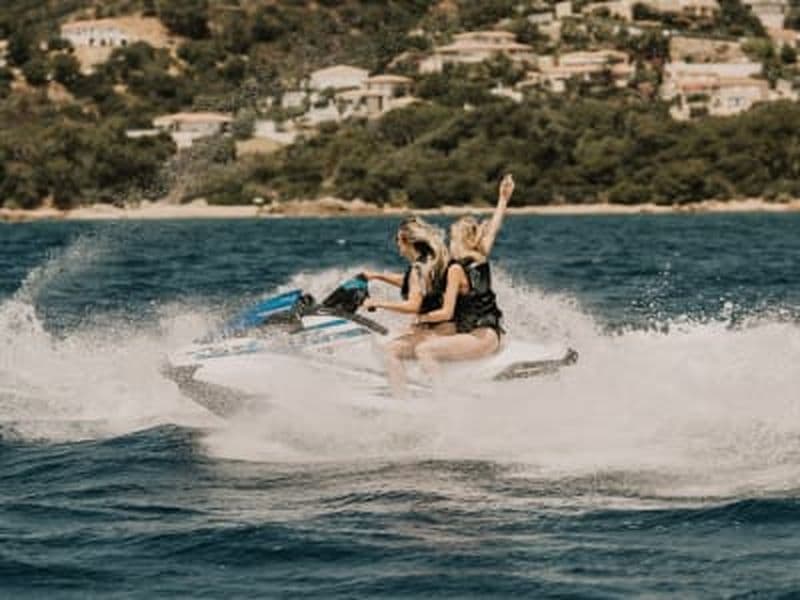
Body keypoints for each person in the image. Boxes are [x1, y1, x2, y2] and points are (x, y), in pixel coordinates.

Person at [412, 174, 514, 377]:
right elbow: (493, 229)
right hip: (492, 333)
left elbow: (446, 313)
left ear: (458, 242)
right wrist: (503, 198)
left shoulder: (456, 270)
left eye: (451, 240)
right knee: (425, 337)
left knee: (424, 350)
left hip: (480, 337)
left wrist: (419, 317)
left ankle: (442, 399)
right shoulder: (481, 255)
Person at [361, 216, 451, 396]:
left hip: (436, 331)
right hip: (444, 327)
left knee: (390, 350)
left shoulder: (418, 268)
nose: (397, 246)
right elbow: (411, 283)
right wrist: (378, 276)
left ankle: (401, 398)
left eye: (397, 240)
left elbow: (413, 305)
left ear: (406, 241)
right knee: (394, 333)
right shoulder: (431, 261)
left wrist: (377, 302)